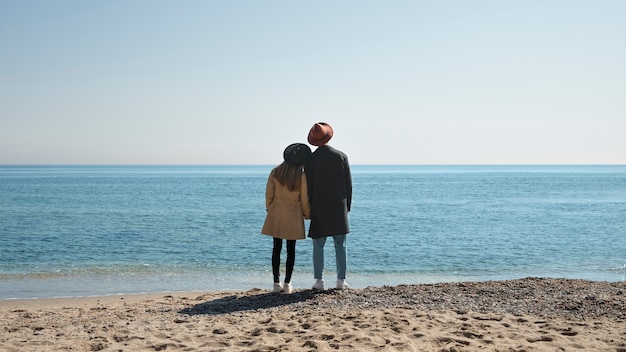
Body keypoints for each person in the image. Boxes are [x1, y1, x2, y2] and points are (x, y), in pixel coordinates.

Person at [305, 122, 352, 290]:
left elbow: (307, 186)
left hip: (318, 206)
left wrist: (308, 207)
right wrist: (347, 207)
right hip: (338, 207)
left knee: (318, 246)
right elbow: (348, 185)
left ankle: (319, 281)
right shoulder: (341, 156)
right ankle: (341, 281)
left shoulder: (310, 160)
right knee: (341, 245)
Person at [261, 143, 312, 293]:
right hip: (293, 212)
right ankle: (287, 283)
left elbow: (268, 193)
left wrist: (270, 209)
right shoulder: (301, 176)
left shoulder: (276, 172)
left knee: (276, 248)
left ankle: (276, 283)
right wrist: (307, 213)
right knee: (291, 249)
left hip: (276, 210)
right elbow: (304, 198)